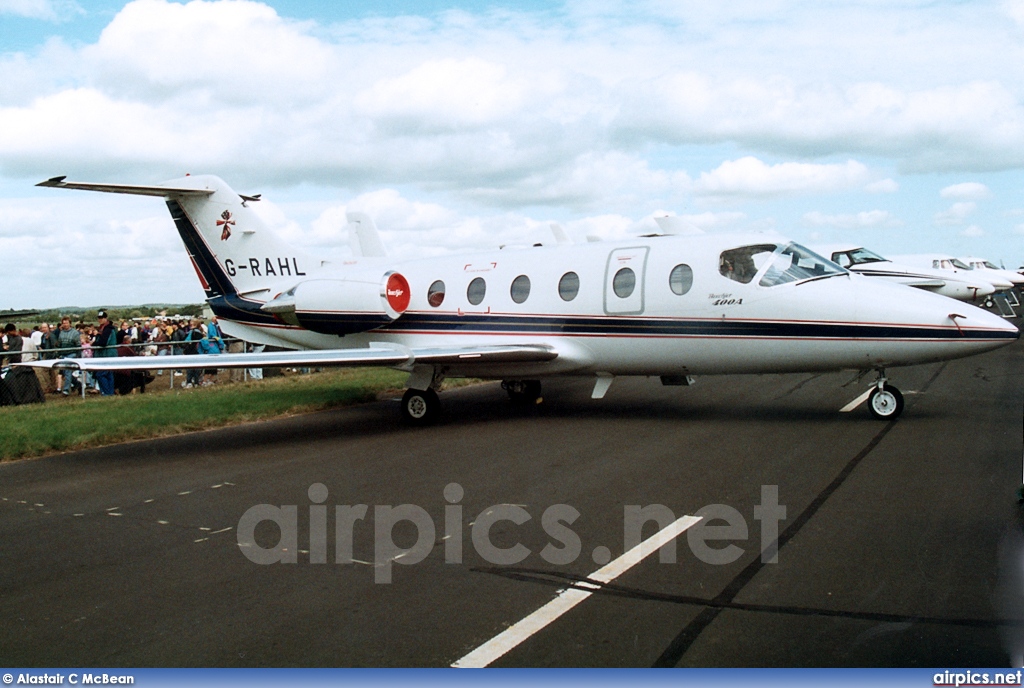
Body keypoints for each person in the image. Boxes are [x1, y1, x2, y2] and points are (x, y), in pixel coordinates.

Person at [92, 310, 118, 396]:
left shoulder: (108, 329)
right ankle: (110, 392)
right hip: (107, 354)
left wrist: (94, 344)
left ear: (105, 318)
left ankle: (106, 393)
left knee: (101, 374)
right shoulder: (104, 328)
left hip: (107, 354)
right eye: (99, 318)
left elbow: (103, 342)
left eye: (102, 318)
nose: (100, 320)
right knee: (109, 374)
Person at [56, 316, 82, 396]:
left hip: (72, 354)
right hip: (63, 354)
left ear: (70, 323)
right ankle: (78, 384)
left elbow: (78, 345)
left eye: (66, 323)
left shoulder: (75, 333)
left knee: (67, 372)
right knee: (65, 373)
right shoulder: (61, 333)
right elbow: (59, 344)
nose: (65, 324)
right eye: (63, 323)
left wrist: (78, 355)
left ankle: (66, 390)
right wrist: (58, 354)